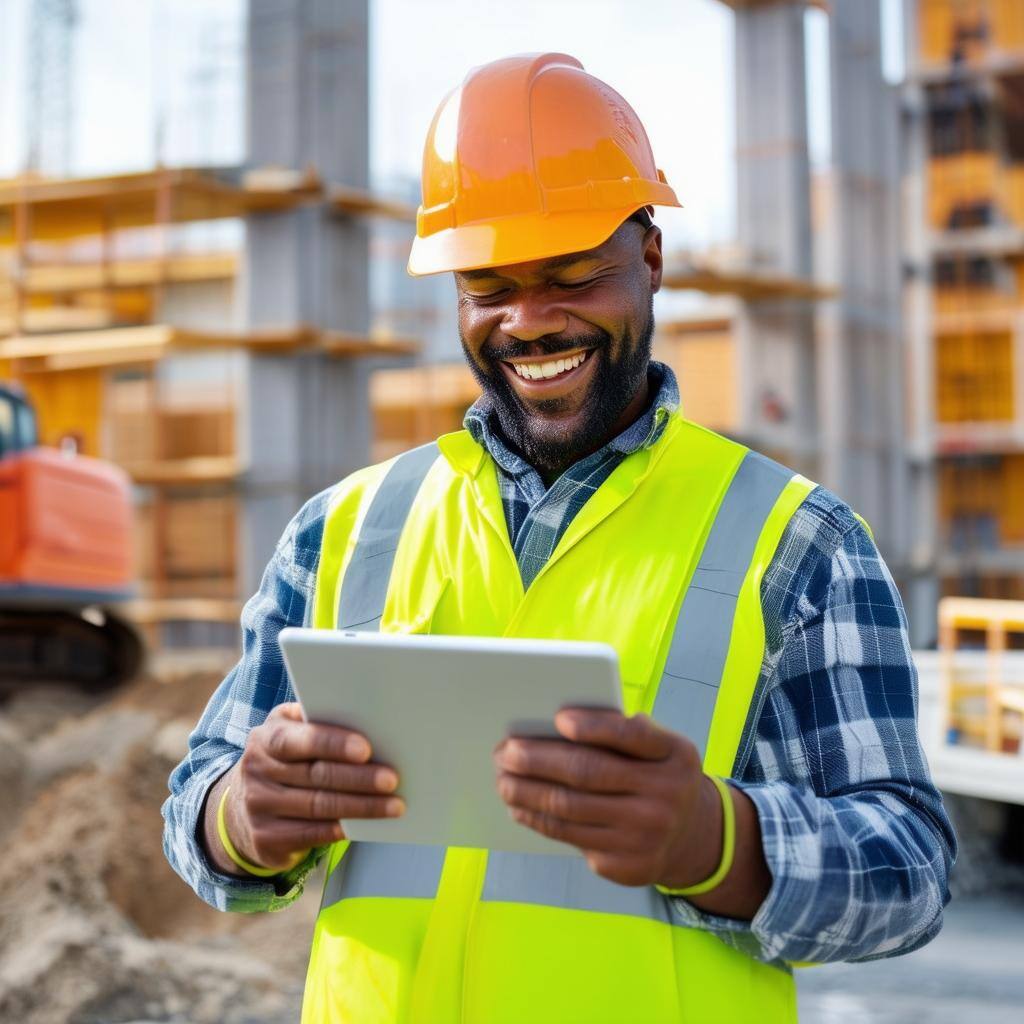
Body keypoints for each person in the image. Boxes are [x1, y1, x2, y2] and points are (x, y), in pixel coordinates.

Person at [163, 53, 956, 1023]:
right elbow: (196, 802)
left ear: (650, 257)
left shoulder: (798, 543)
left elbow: (909, 867)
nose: (529, 321)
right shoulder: (340, 529)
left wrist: (721, 842)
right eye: (489, 285)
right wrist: (239, 818)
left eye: (573, 275)